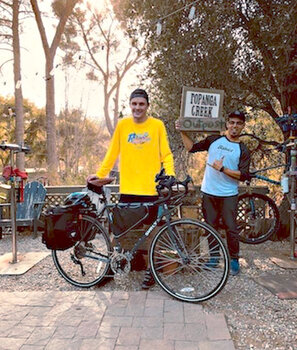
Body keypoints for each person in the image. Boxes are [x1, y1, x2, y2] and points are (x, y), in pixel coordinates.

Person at [89, 88, 175, 288]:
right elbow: (112, 153)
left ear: (147, 106)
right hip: (128, 188)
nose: (137, 108)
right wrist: (101, 175)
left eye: (141, 104)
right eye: (134, 104)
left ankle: (152, 270)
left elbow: (167, 154)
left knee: (153, 231)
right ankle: (110, 268)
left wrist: (169, 174)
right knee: (119, 231)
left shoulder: (157, 125)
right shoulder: (123, 125)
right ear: (130, 105)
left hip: (151, 189)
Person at [176, 110, 250, 275]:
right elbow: (191, 148)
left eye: (238, 123)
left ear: (243, 126)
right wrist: (182, 131)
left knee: (231, 228)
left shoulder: (242, 149)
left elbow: (243, 175)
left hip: (229, 194)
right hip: (209, 192)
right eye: (232, 122)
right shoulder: (214, 140)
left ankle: (234, 260)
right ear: (227, 124)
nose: (234, 126)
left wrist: (223, 169)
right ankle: (214, 258)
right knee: (211, 227)